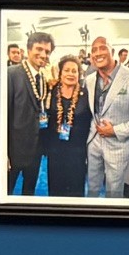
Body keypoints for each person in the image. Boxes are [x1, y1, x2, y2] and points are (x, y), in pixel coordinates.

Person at [85, 36, 129, 200]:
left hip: (118, 146)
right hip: (94, 142)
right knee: (92, 188)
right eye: (94, 50)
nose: (97, 53)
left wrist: (115, 130)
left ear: (112, 51)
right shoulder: (90, 80)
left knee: (114, 193)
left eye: (102, 48)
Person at [5, 32, 55, 196]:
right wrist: (3, 153)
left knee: (29, 193)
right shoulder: (11, 74)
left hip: (36, 147)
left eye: (47, 52)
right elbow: (3, 115)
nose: (43, 55)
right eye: (39, 49)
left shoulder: (43, 77)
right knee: (6, 192)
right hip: (14, 149)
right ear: (27, 50)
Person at [39, 53, 92, 200]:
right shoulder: (50, 91)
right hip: (55, 150)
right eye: (67, 70)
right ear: (60, 73)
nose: (70, 74)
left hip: (78, 152)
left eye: (74, 71)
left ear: (79, 74)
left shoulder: (86, 93)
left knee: (76, 189)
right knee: (56, 188)